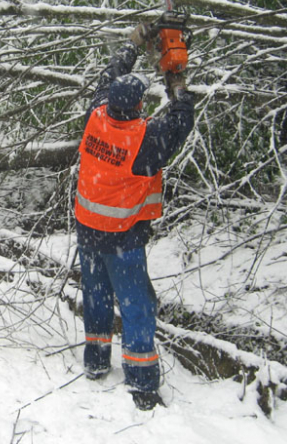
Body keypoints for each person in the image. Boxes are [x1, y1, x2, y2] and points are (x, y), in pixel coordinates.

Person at [74, 23, 195, 410]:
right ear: (140, 107)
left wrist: (135, 43)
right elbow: (181, 122)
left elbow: (108, 77)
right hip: (122, 235)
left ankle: (95, 363)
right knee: (136, 304)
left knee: (95, 295)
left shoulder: (96, 114)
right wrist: (177, 82)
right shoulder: (144, 142)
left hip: (87, 226)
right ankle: (142, 384)